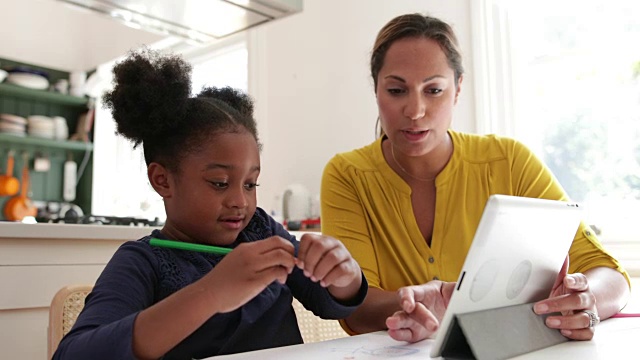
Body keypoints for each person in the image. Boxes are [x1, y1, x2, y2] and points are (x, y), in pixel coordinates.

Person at [320, 13, 630, 344]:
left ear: (457, 89)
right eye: (397, 90)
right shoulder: (347, 176)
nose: (415, 110)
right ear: (376, 89)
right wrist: (432, 304)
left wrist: (586, 303)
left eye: (434, 89)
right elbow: (355, 306)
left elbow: (608, 273)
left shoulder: (509, 162)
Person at [53, 48, 366, 360]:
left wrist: (344, 274)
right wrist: (212, 293)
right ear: (162, 180)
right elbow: (75, 354)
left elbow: (328, 301)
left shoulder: (260, 230)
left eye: (250, 184)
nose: (240, 201)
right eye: (219, 183)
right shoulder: (142, 262)